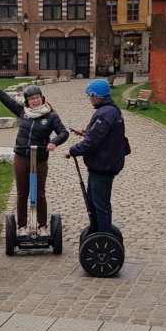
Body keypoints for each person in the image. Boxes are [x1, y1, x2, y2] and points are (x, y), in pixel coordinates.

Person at [0, 70, 69, 237]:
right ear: (27, 101)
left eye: (37, 97)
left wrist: (53, 142)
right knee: (23, 193)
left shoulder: (51, 117)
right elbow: (5, 99)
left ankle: (43, 226)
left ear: (42, 98)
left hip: (40, 159)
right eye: (31, 99)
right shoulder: (23, 112)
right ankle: (21, 226)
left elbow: (63, 133)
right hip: (22, 156)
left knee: (39, 193)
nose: (35, 101)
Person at [66, 79, 128, 235]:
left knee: (100, 204)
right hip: (102, 164)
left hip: (103, 165)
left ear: (95, 95)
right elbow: (101, 134)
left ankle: (104, 237)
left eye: (90, 96)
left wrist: (72, 151)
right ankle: (97, 230)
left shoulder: (105, 113)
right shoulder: (110, 110)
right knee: (93, 201)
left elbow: (92, 142)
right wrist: (85, 132)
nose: (90, 99)